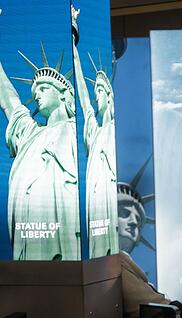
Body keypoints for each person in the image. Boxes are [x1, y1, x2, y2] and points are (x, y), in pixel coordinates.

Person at [0, 48, 81, 261]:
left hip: (65, 220)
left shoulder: (78, 131)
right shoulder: (30, 134)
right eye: (35, 92)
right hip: (30, 229)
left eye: (43, 88)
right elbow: (9, 101)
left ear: (64, 93)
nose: (36, 95)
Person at [72, 7, 119, 258]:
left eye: (100, 91)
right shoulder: (95, 130)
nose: (95, 95)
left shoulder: (113, 131)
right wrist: (73, 46)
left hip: (108, 211)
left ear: (109, 97)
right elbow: (82, 94)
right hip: (94, 206)